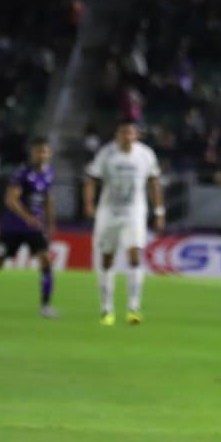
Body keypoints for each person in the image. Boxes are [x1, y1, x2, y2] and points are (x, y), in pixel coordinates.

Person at [0, 139, 58, 318]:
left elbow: (48, 199)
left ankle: (45, 306)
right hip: (13, 227)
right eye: (39, 151)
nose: (42, 155)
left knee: (45, 260)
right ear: (32, 153)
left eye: (45, 152)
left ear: (49, 154)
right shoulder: (22, 172)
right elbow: (10, 200)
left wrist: (51, 223)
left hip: (35, 228)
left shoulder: (50, 173)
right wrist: (28, 218)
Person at [83, 120, 164, 325]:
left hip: (134, 212)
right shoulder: (106, 153)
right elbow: (91, 179)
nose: (127, 137)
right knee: (107, 258)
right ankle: (106, 308)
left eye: (130, 133)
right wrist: (89, 205)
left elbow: (154, 182)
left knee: (135, 255)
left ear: (136, 135)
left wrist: (159, 211)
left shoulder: (145, 154)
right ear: (117, 135)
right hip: (108, 212)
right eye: (123, 133)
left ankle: (133, 308)